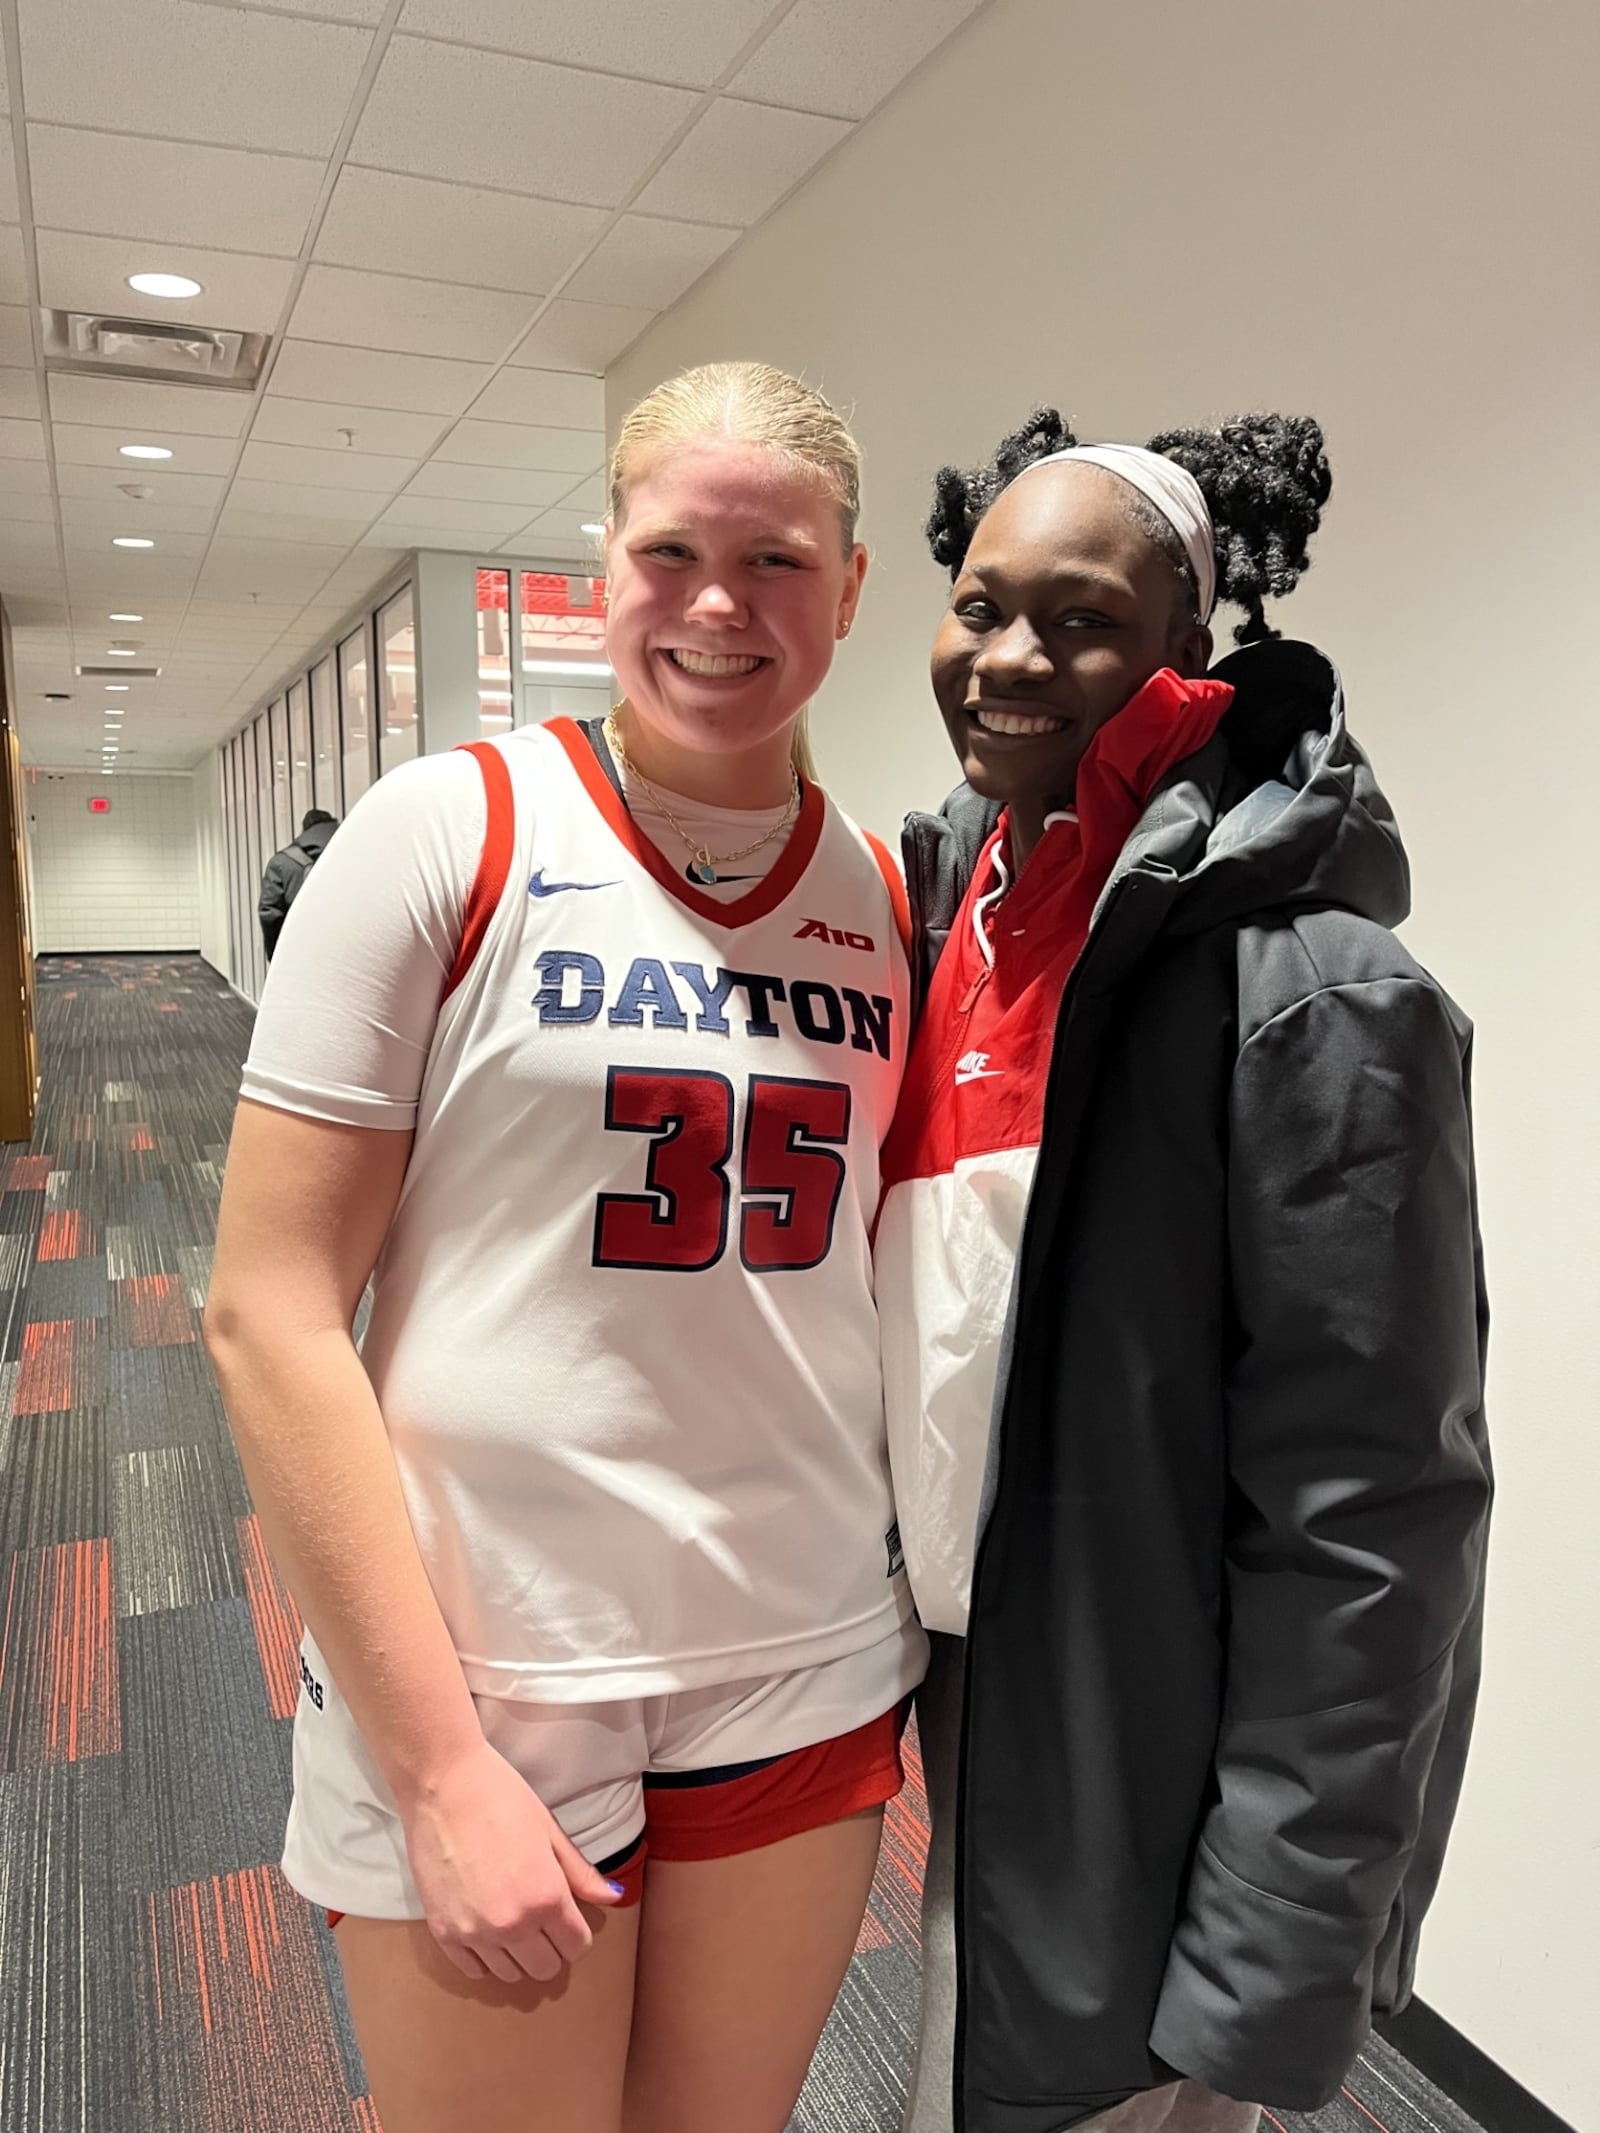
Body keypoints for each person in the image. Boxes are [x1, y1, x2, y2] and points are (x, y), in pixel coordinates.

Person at [204, 362, 927, 2133]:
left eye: (776, 562)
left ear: (846, 593)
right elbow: (266, 1311)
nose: (716, 603)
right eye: (672, 548)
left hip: (803, 1649)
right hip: (492, 1666)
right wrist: (439, 1767)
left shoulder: (890, 895)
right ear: (599, 562)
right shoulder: (447, 832)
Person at [875, 409, 1491, 2133]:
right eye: (979, 602)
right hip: (986, 1689)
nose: (1008, 655)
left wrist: (1276, 1953)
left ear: (1189, 645)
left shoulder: (1316, 989)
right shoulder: (952, 910)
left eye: (1077, 617)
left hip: (1163, 1748)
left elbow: (1375, 1512)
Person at [259, 806, 338, 960]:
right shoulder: (357, 852)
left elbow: (270, 915)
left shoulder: (281, 863)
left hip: (302, 954)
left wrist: (275, 957)